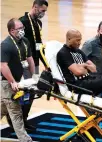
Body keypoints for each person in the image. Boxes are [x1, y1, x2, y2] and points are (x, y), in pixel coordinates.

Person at [7, 0, 48, 130]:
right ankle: (15, 118)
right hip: (21, 65)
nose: (44, 13)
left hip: (34, 63)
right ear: (35, 7)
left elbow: (39, 45)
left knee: (32, 92)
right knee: (23, 92)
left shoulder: (38, 22)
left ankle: (24, 119)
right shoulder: (22, 22)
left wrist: (45, 63)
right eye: (42, 11)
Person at [1, 18, 34, 142]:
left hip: (20, 80)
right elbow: (3, 65)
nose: (22, 30)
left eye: (23, 28)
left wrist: (33, 76)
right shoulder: (6, 45)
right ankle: (25, 139)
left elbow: (30, 59)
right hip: (6, 82)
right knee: (16, 112)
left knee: (2, 109)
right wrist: (12, 81)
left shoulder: (25, 41)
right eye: (19, 28)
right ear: (12, 30)